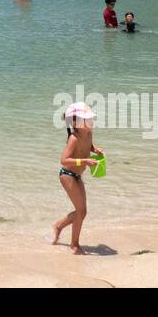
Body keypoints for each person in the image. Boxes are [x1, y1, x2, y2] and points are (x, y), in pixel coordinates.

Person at [52, 102, 103, 255]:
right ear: (75, 123)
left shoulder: (88, 134)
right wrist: (85, 161)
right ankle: (74, 245)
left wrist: (95, 149)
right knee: (81, 211)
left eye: (91, 119)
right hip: (67, 175)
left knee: (83, 211)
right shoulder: (73, 138)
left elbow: (89, 145)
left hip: (77, 176)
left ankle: (59, 226)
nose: (91, 122)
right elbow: (64, 160)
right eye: (86, 120)